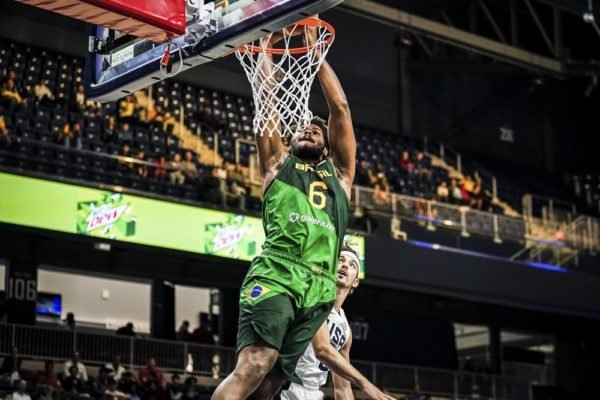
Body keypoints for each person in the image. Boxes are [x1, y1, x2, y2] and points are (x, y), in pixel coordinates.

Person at [212, 25, 388, 400]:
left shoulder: (340, 176)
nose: (308, 129)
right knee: (257, 362)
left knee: (272, 383)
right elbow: (267, 99)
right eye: (302, 129)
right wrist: (264, 52)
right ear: (289, 142)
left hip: (319, 287)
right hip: (279, 271)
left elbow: (339, 107)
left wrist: (315, 54)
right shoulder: (277, 163)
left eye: (316, 129)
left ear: (327, 148)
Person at [277, 243, 393, 400]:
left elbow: (343, 388)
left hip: (313, 393)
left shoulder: (345, 330)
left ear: (355, 282)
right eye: (341, 260)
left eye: (351, 265)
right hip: (283, 386)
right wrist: (367, 385)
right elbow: (322, 350)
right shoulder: (312, 298)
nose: (345, 265)